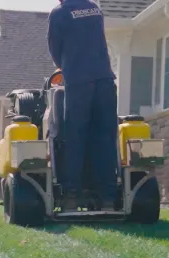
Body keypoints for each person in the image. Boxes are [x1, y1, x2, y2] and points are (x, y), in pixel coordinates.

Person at [47, 0, 119, 211]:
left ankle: (71, 195)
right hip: (105, 80)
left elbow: (54, 48)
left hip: (78, 82)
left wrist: (66, 67)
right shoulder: (94, 8)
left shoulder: (60, 13)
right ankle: (107, 197)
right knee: (105, 138)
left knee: (74, 137)